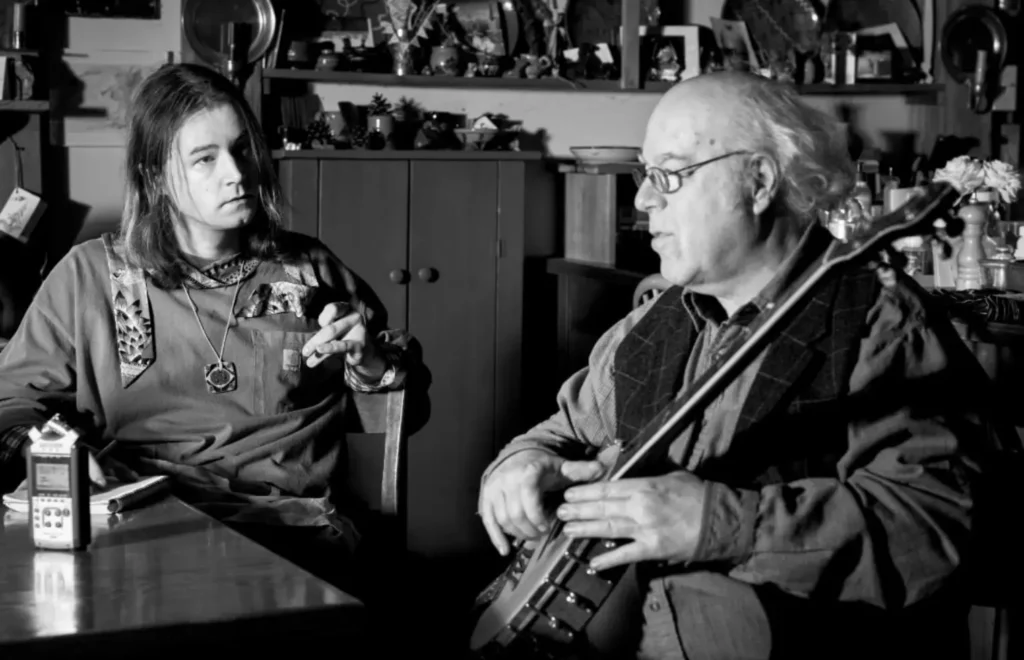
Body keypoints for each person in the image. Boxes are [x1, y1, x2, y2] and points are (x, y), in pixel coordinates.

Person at [476, 71, 1003, 659]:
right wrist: (521, 466)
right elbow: (568, 429)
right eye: (644, 176)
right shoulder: (655, 321)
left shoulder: (882, 327)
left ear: (758, 181)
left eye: (669, 174)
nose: (644, 200)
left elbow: (937, 527)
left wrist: (721, 523)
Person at [0, 63, 423, 596]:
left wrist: (369, 366)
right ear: (155, 175)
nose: (237, 173)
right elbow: (10, 403)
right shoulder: (90, 276)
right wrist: (54, 453)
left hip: (286, 531)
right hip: (143, 528)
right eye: (205, 158)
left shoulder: (311, 269)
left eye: (243, 149)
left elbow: (407, 406)